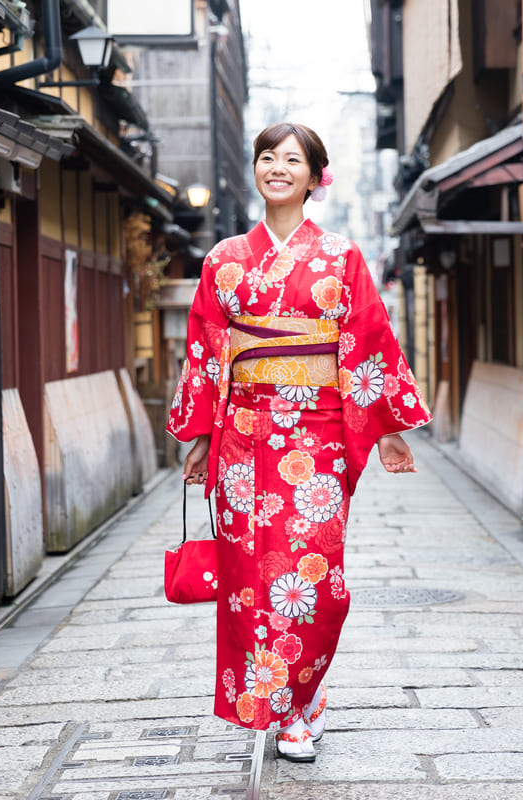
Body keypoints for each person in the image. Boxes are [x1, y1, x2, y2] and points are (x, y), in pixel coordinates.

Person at [167, 122, 431, 762]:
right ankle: (271, 709)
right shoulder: (224, 260)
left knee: (315, 581)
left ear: (316, 176)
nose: (276, 167)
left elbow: (366, 340)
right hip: (242, 439)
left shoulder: (341, 258)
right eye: (266, 157)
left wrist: (389, 430)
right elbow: (206, 350)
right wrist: (200, 436)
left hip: (316, 441)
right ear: (254, 170)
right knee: (247, 577)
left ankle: (303, 698)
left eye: (292, 159)